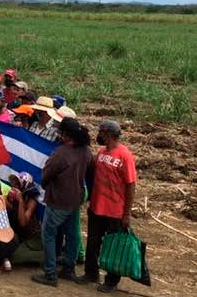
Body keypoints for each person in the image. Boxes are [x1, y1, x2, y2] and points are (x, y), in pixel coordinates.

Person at [31, 117, 94, 287]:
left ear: (65, 134)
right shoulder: (86, 152)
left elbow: (46, 175)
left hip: (59, 199)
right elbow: (90, 175)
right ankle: (68, 269)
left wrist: (46, 184)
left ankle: (50, 274)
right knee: (73, 234)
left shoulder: (61, 153)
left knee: (49, 234)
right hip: (76, 198)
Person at [76, 120, 137, 293]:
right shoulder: (102, 152)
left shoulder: (125, 155)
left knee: (113, 246)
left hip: (115, 211)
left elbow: (131, 185)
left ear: (108, 134)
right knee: (93, 242)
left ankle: (111, 280)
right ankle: (91, 273)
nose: (99, 136)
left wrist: (126, 214)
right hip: (97, 207)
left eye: (101, 133)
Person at [6, 172, 43, 265]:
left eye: (17, 184)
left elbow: (23, 222)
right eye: (13, 184)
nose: (14, 186)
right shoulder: (15, 197)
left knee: (14, 257)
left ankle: (46, 256)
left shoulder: (31, 200)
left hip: (33, 239)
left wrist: (20, 201)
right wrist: (8, 199)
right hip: (21, 236)